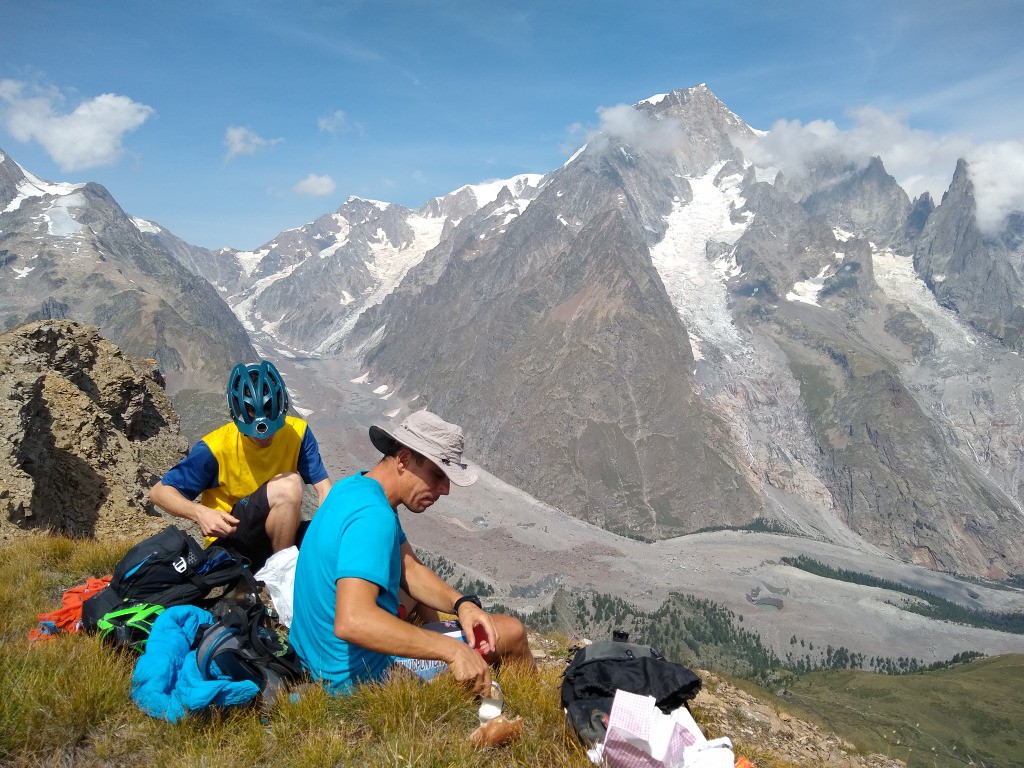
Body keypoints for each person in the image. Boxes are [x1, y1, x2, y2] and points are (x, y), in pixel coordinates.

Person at [290, 410, 535, 696]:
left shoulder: (353, 489)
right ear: (404, 460)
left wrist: (462, 604)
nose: (445, 489)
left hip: (314, 661)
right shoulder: (373, 517)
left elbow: (411, 570)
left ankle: (463, 678)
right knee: (513, 632)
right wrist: (451, 651)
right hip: (359, 680)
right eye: (437, 474)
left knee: (422, 603)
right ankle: (531, 710)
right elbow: (353, 621)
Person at [149, 360, 331, 570]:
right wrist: (200, 513)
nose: (264, 436)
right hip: (232, 541)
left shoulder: (298, 432)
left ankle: (282, 566)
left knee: (343, 538)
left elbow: (324, 490)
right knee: (289, 485)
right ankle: (284, 573)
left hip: (279, 531)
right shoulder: (215, 448)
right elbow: (159, 492)